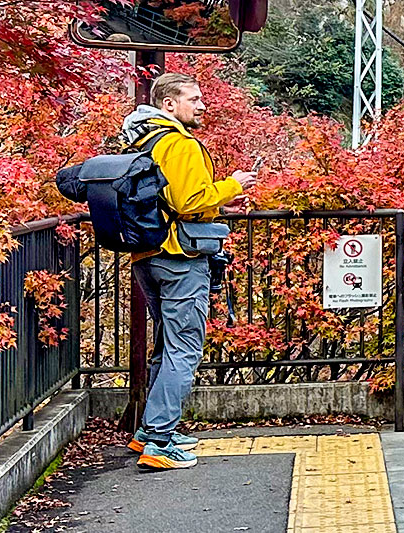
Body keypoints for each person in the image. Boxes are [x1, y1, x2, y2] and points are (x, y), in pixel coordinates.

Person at [121, 72, 259, 470]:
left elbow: (171, 200)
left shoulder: (142, 141)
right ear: (169, 105)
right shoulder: (178, 144)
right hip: (180, 257)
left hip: (147, 255)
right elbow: (187, 201)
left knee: (167, 345)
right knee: (184, 349)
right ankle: (159, 442)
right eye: (194, 99)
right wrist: (231, 185)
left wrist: (216, 206)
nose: (202, 105)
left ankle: (149, 431)